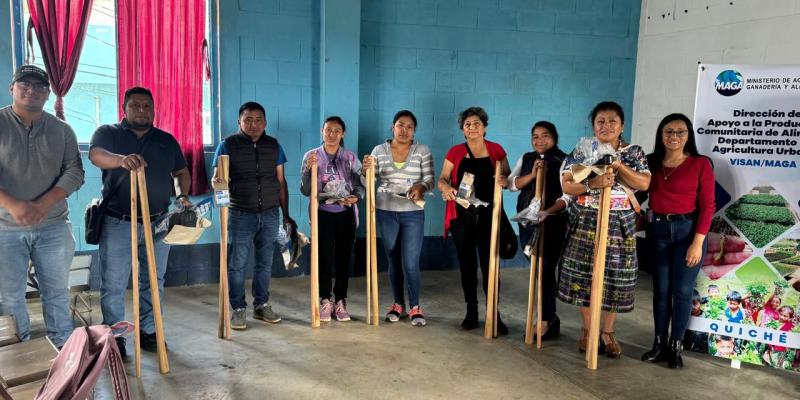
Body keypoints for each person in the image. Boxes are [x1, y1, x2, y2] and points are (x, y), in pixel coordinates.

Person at [89, 87, 191, 359]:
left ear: (154, 110)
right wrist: (122, 160)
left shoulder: (166, 140)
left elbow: (180, 171)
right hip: (118, 221)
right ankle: (116, 336)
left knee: (153, 280)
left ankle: (149, 330)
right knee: (113, 282)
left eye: (147, 106)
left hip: (158, 221)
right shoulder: (108, 133)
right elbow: (96, 155)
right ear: (124, 109)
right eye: (136, 106)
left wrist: (181, 195)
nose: (142, 110)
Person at [0, 65, 84, 348]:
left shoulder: (61, 130)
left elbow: (74, 171)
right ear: (12, 89)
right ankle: (18, 352)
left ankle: (63, 350)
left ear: (48, 94)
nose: (31, 90)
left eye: (39, 86)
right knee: (10, 296)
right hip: (4, 229)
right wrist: (12, 204)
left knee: (57, 292)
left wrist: (44, 203)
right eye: (24, 84)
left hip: (54, 227)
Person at [559, 101, 651, 358]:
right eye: (600, 121)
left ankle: (607, 332)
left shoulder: (634, 152)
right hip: (586, 218)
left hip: (620, 222)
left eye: (612, 121)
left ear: (622, 126)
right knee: (584, 275)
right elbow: (568, 185)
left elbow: (644, 183)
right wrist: (593, 183)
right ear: (593, 125)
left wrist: (619, 166)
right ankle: (588, 330)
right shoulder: (583, 149)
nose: (606, 126)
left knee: (615, 277)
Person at [640, 113, 715, 369]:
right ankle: (659, 343)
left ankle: (676, 346)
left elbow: (707, 206)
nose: (674, 137)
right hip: (658, 231)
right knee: (660, 291)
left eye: (680, 132)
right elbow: (636, 193)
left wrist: (697, 242)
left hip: (688, 233)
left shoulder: (700, 163)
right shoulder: (650, 162)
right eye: (668, 132)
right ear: (661, 135)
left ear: (688, 135)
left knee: (682, 291)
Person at [212, 102, 295, 330]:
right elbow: (219, 179)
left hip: (270, 213)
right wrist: (218, 186)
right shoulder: (227, 145)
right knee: (237, 264)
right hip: (240, 214)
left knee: (264, 263)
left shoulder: (274, 146)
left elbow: (280, 181)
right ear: (239, 122)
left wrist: (286, 214)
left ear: (265, 123)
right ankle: (238, 308)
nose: (253, 124)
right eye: (248, 119)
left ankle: (262, 305)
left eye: (258, 120)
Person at [437, 106, 511, 334]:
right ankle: (472, 311)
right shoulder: (455, 152)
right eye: (468, 124)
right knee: (467, 265)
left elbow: (507, 177)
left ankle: (494, 314)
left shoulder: (496, 150)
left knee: (492, 266)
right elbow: (442, 179)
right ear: (463, 129)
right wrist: (446, 188)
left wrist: (504, 179)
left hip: (490, 215)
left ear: (485, 127)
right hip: (463, 216)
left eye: (477, 124)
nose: (472, 128)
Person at [361, 110, 434, 326]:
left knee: (410, 261)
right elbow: (368, 183)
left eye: (409, 126)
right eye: (400, 125)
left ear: (414, 130)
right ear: (392, 127)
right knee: (393, 259)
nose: (404, 130)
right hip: (385, 211)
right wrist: (366, 172)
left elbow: (430, 179)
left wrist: (420, 186)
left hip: (413, 212)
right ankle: (397, 304)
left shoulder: (422, 150)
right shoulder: (378, 150)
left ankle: (415, 307)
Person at [507, 121, 569, 339]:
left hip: (552, 222)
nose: (540, 141)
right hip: (527, 221)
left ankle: (545, 320)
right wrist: (533, 175)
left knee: (545, 269)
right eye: (535, 136)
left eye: (545, 136)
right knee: (536, 269)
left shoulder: (563, 160)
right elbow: (512, 184)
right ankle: (550, 319)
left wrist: (549, 212)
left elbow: (568, 195)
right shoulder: (526, 158)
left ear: (554, 137)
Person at [301, 116, 364, 322]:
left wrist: (357, 196)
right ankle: (325, 299)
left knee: (344, 259)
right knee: (324, 259)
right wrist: (309, 172)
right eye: (328, 130)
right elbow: (304, 190)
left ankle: (341, 301)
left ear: (343, 134)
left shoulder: (350, 158)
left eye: (337, 131)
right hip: (323, 214)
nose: (332, 134)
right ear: (322, 131)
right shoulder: (311, 156)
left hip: (345, 214)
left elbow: (360, 185)